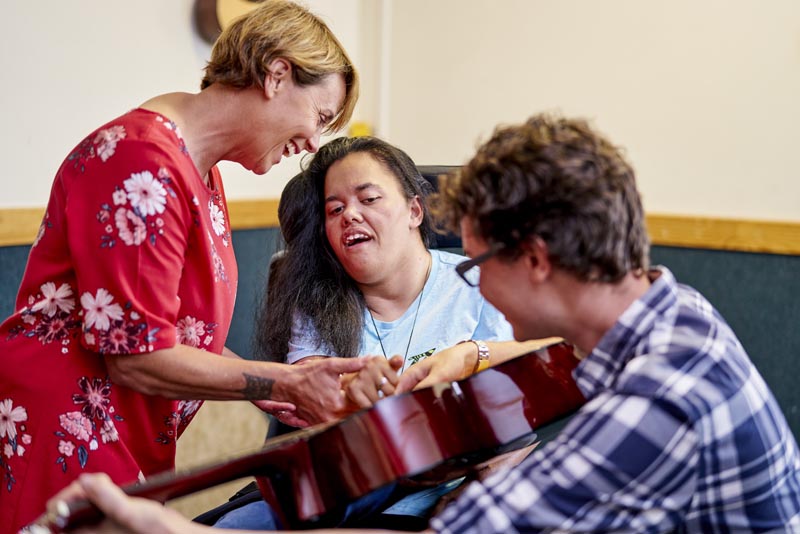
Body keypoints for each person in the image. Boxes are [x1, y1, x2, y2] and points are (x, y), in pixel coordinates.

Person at [33, 112, 800, 533]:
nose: (471, 279)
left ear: (532, 259)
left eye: (476, 264)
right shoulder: (676, 312)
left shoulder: (654, 404)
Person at [0, 1, 367, 531]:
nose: (314, 142)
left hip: (124, 426)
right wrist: (279, 383)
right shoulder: (141, 160)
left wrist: (283, 386)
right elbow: (135, 355)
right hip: (68, 427)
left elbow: (180, 334)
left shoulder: (200, 170)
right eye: (320, 116)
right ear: (277, 74)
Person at [210, 136, 549, 529]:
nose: (349, 215)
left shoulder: (481, 285)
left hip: (441, 501)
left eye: (368, 199)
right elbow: (316, 390)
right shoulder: (317, 300)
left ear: (415, 211)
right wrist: (352, 394)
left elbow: (534, 404)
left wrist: (471, 492)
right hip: (335, 489)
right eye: (334, 209)